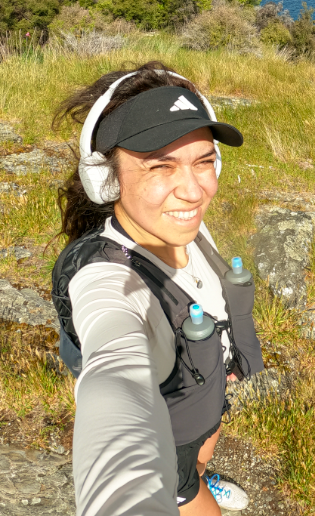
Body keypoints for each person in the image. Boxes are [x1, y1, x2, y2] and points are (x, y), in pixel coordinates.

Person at [51, 61, 265, 516]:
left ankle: (199, 473)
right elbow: (114, 366)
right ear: (106, 179)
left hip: (202, 403)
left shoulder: (184, 227)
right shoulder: (109, 280)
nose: (194, 192)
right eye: (161, 167)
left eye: (203, 162)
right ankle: (186, 486)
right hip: (166, 440)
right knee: (185, 472)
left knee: (202, 448)